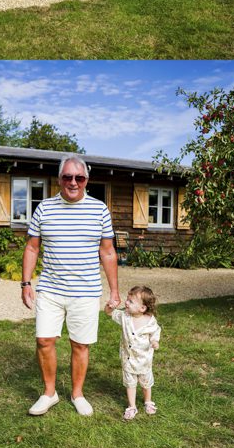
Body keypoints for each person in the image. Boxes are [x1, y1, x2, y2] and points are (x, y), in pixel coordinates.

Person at [22, 154, 120, 417]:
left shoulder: (100, 210)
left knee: (80, 344)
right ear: (59, 179)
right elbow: (32, 247)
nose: (73, 182)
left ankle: (77, 394)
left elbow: (108, 252)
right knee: (44, 341)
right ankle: (49, 393)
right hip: (51, 290)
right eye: (68, 177)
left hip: (86, 292)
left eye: (79, 177)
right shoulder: (44, 208)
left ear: (87, 180)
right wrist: (26, 283)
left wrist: (114, 291)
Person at [106, 285, 163, 421]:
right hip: (128, 359)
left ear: (142, 308)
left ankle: (148, 401)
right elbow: (109, 313)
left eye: (130, 301)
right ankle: (132, 406)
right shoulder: (125, 316)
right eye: (127, 299)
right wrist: (110, 306)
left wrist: (155, 341)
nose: (126, 302)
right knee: (130, 383)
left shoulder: (150, 321)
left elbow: (155, 332)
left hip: (144, 359)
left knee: (145, 382)